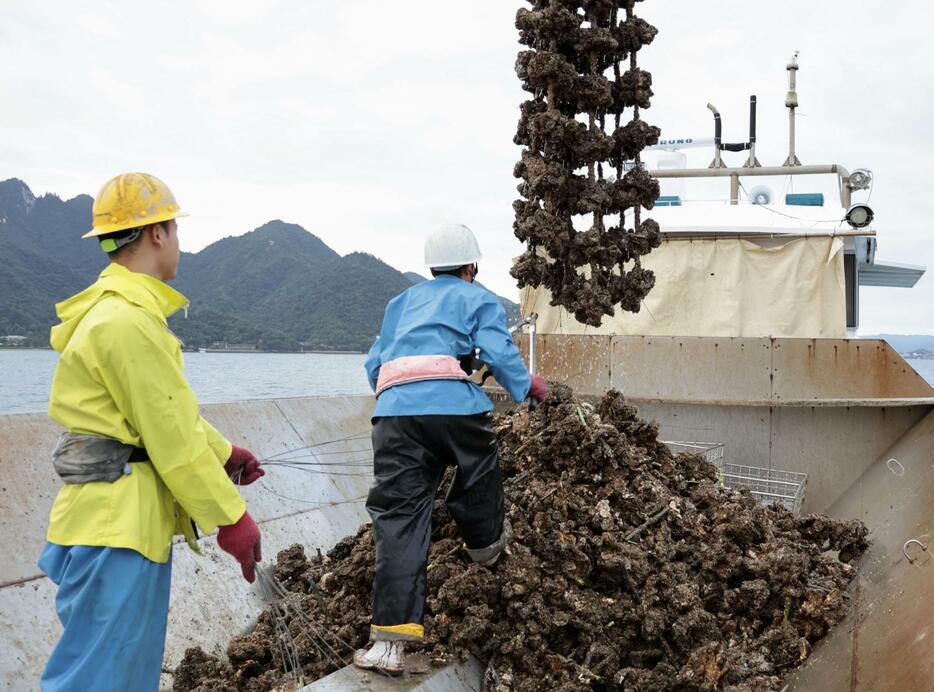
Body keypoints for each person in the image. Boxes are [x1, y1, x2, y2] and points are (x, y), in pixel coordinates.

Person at [39, 172, 264, 691]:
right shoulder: (128, 323)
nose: (178, 244)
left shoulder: (112, 314)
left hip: (105, 519)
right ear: (158, 233)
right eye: (176, 231)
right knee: (99, 681)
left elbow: (164, 415)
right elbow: (171, 440)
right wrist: (231, 519)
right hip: (117, 528)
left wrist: (226, 453)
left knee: (117, 674)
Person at [354, 223, 548, 675]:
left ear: (430, 266)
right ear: (471, 266)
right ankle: (486, 548)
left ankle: (389, 645)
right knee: (478, 470)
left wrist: (396, 398)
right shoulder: (478, 297)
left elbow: (374, 363)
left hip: (396, 417)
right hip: (455, 412)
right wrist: (528, 388)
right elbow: (498, 353)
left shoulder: (399, 303)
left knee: (399, 519)